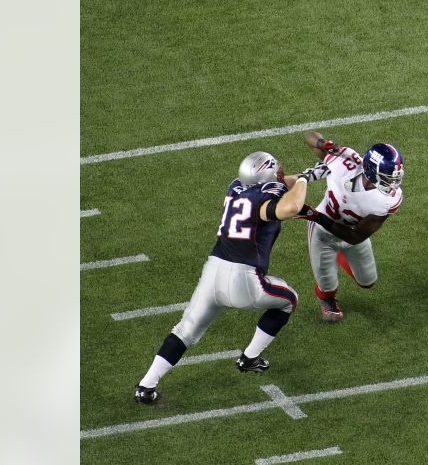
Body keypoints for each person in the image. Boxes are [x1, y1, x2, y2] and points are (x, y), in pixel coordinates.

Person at [134, 151, 323, 404]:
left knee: (185, 330)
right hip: (243, 279)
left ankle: (146, 386)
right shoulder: (266, 202)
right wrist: (304, 182)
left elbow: (274, 185)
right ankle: (249, 358)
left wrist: (305, 174)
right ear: (268, 178)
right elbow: (291, 206)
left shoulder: (236, 187)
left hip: (213, 272)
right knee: (289, 299)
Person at [294, 131, 404, 322]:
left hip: (349, 234)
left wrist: (314, 215)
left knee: (367, 282)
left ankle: (340, 253)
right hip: (322, 234)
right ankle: (327, 300)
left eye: (395, 176)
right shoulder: (345, 162)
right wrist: (323, 143)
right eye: (388, 177)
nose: (393, 184)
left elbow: (356, 236)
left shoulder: (388, 199)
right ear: (371, 170)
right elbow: (308, 136)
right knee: (327, 286)